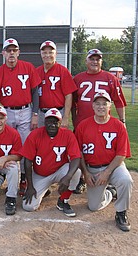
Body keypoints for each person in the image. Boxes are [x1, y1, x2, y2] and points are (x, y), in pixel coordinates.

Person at [0, 38, 41, 196]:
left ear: (18, 52)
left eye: (14, 50)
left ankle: (24, 179)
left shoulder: (28, 67)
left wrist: (35, 113)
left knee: (25, 148)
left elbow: (35, 92)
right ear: (3, 53)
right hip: (7, 112)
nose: (11, 53)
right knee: (6, 146)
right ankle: (5, 175)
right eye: (8, 50)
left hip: (25, 111)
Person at [75, 92, 132, 232]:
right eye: (98, 103)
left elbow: (121, 154)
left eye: (104, 103)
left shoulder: (118, 126)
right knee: (94, 206)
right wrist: (85, 173)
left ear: (109, 106)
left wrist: (107, 173)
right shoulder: (83, 125)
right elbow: (79, 153)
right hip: (91, 169)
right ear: (93, 106)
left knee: (126, 180)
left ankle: (121, 213)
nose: (101, 106)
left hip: (113, 166)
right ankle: (111, 192)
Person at [72, 49, 127, 194]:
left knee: (106, 150)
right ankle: (81, 180)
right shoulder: (78, 78)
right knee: (80, 152)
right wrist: (73, 120)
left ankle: (110, 180)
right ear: (86, 61)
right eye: (92, 59)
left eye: (98, 59)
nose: (95, 62)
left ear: (101, 61)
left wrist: (122, 121)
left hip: (104, 124)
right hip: (82, 123)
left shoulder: (110, 78)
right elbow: (72, 103)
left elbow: (119, 102)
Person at [20, 108, 81, 217]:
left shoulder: (68, 135)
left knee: (76, 172)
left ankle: (63, 200)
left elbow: (76, 158)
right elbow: (28, 161)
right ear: (44, 122)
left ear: (60, 123)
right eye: (49, 122)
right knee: (28, 206)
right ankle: (44, 190)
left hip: (59, 171)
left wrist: (68, 177)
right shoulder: (35, 134)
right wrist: (30, 186)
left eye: (55, 122)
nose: (52, 125)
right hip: (40, 174)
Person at [36, 40, 77, 128]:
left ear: (56, 54)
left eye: (51, 52)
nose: (47, 55)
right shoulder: (37, 72)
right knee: (41, 139)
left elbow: (68, 95)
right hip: (41, 113)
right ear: (41, 54)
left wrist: (66, 117)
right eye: (44, 52)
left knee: (58, 140)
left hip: (58, 112)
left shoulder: (63, 71)